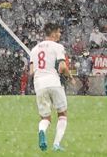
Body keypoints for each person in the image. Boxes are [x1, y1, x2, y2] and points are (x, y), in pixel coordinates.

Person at [31, 23, 71, 152]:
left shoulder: (34, 49)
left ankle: (42, 131)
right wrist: (69, 75)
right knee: (62, 114)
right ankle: (56, 144)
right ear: (53, 33)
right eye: (59, 32)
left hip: (39, 84)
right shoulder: (57, 46)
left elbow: (31, 71)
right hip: (53, 82)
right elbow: (62, 67)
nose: (60, 34)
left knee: (45, 117)